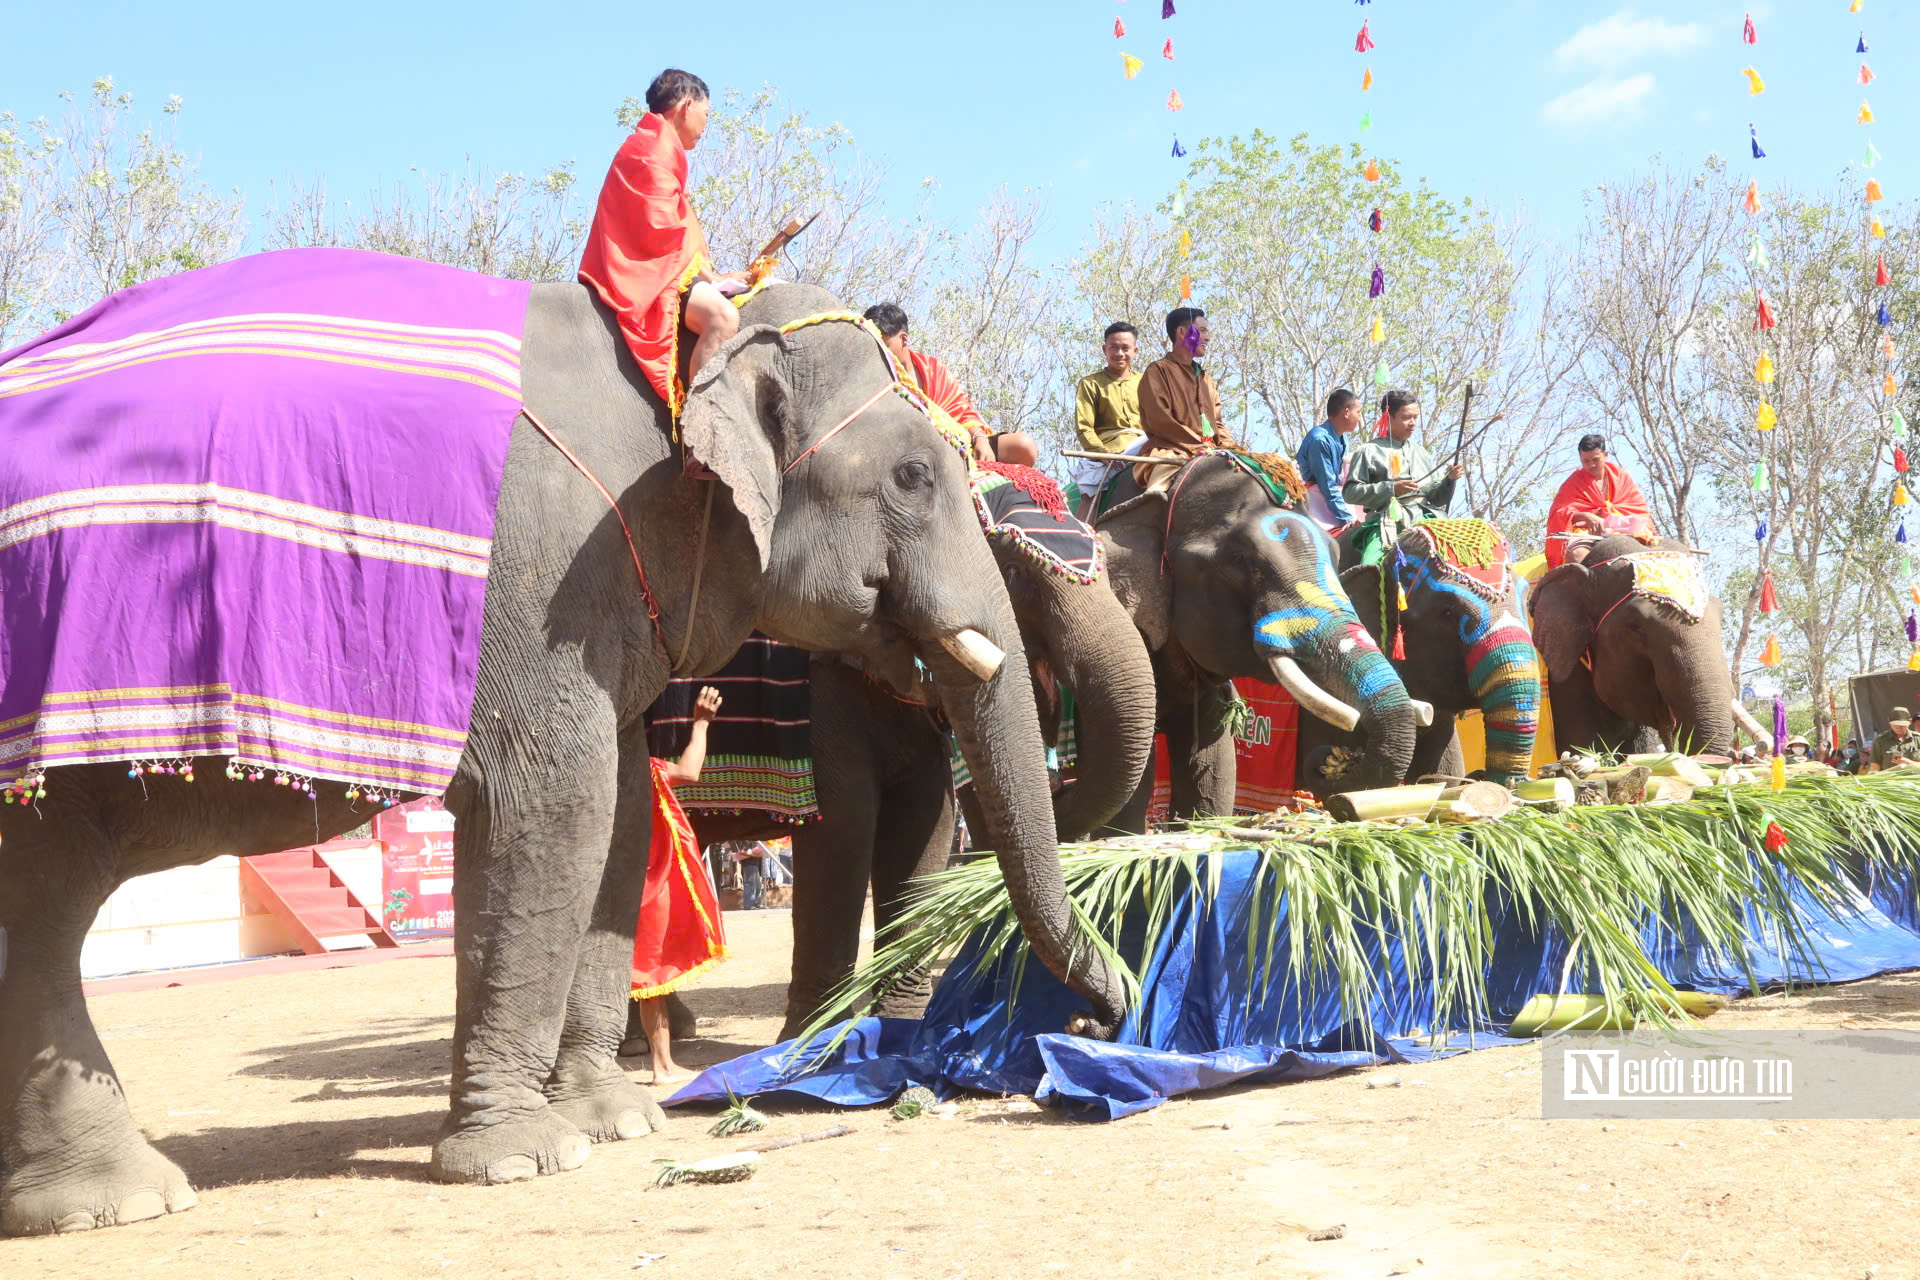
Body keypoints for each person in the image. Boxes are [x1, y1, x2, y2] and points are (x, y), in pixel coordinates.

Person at [578, 69, 746, 424]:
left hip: (662, 269)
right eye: (706, 114)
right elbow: (660, 232)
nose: (706, 125)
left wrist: (714, 276)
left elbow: (672, 230)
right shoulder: (650, 149)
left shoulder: (654, 146)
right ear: (686, 106)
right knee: (722, 318)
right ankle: (704, 434)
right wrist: (710, 278)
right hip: (644, 277)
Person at [631, 684, 728, 1085]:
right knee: (649, 976)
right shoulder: (642, 769)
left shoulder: (641, 769)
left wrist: (701, 723)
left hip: (642, 879)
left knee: (651, 976)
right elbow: (688, 771)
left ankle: (664, 1063)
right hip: (642, 883)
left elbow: (687, 772)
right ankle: (660, 1066)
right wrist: (701, 723)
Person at [862, 304, 1040, 467]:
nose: (881, 353)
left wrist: (980, 439)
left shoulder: (932, 369)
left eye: (884, 345)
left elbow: (961, 411)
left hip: (958, 443)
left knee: (1023, 446)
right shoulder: (875, 379)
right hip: (911, 453)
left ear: (904, 339)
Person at [1341, 389, 1463, 566]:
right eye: (1406, 417)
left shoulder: (1421, 453)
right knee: (1370, 566)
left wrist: (1450, 480)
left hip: (1428, 518)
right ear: (1387, 417)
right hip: (1385, 522)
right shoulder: (1367, 451)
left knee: (1463, 554)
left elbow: (1437, 498)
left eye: (1415, 417)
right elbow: (1350, 493)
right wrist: (1391, 489)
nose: (1413, 423)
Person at [1135, 306, 1232, 491]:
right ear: (1181, 332)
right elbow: (1159, 421)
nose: (1208, 337)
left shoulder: (1207, 380)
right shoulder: (1158, 370)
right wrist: (1199, 445)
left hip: (1212, 450)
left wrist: (1229, 447)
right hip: (1171, 449)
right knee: (1160, 483)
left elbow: (1218, 424)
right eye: (1202, 330)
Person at [1544, 433, 1657, 568]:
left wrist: (1612, 520)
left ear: (1606, 455)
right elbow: (1558, 513)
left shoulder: (1621, 476)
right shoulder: (1573, 482)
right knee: (1577, 556)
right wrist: (1583, 515)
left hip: (1624, 531)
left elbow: (1638, 508)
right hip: (1587, 534)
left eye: (1595, 459)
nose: (1591, 465)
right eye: (1585, 461)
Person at [1068, 322, 1145, 512]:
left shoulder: (1146, 381)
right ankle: (1084, 537)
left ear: (1135, 351)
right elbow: (1084, 428)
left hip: (1146, 446)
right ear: (1105, 349)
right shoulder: (1089, 384)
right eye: (1114, 347)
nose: (1119, 353)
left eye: (1125, 348)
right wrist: (1103, 455)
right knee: (1090, 493)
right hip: (1109, 452)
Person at [1296, 388, 1361, 534]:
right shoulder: (1319, 440)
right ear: (1346, 412)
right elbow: (1327, 485)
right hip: (1314, 504)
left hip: (1335, 500)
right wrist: (1347, 519)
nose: (1359, 417)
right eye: (1358, 412)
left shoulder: (1343, 438)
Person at [1867, 706, 1920, 772]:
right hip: (1890, 780)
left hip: (1915, 780)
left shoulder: (1918, 739)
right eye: (1895, 724)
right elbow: (1875, 765)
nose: (1899, 727)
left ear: (1910, 722)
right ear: (1889, 722)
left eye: (1902, 724)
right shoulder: (1880, 740)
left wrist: (1909, 763)